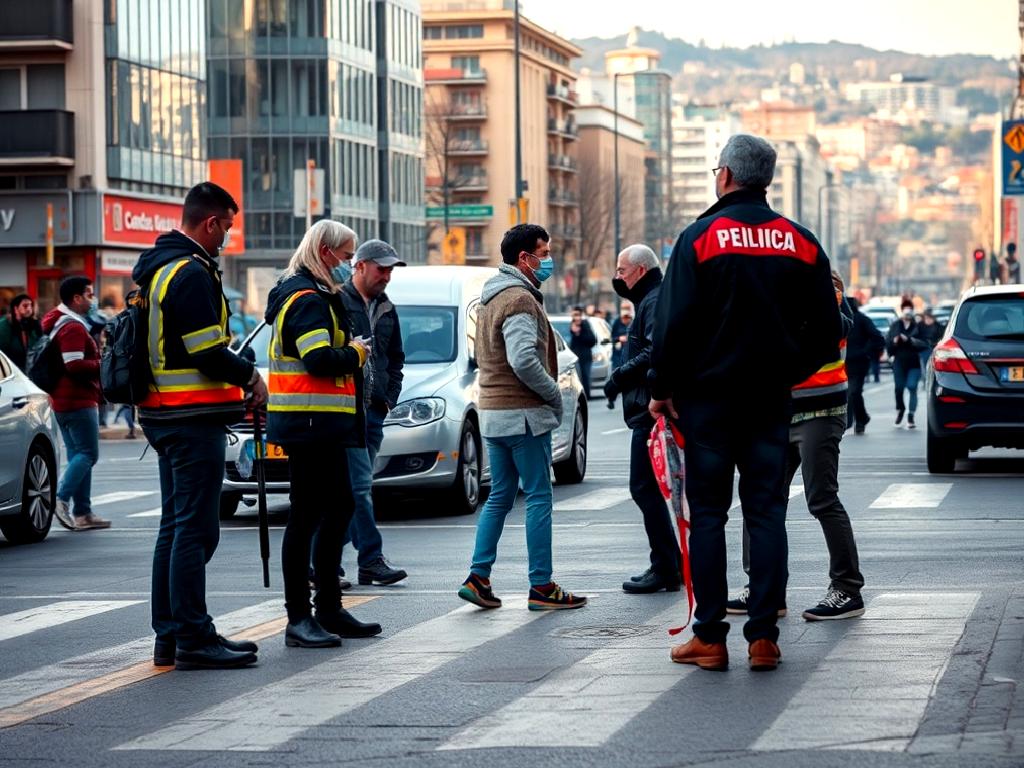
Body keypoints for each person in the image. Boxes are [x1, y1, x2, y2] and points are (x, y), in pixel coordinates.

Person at [650, 134, 842, 672]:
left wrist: (663, 389)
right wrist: (788, 370)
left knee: (708, 515)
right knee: (766, 513)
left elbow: (672, 324)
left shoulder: (699, 238)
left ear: (726, 176)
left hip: (707, 402)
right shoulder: (801, 242)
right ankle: (763, 638)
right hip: (768, 401)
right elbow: (830, 331)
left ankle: (710, 636)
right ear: (767, 180)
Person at [134, 182, 265, 670]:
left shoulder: (159, 268)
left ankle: (171, 635)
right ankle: (192, 635)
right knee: (196, 530)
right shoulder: (189, 273)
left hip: (162, 414)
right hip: (189, 418)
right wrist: (250, 375)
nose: (226, 237)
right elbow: (205, 351)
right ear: (210, 222)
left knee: (175, 527)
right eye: (227, 227)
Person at [265, 219, 383, 648]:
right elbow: (317, 359)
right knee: (307, 516)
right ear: (325, 252)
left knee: (339, 507)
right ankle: (300, 616)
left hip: (321, 425)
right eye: (346, 255)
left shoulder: (314, 295)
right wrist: (355, 351)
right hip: (308, 425)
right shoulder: (306, 300)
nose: (349, 263)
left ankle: (328, 607)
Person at [458, 223, 586, 611]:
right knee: (539, 497)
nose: (548, 260)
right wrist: (552, 394)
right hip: (523, 415)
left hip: (495, 413)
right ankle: (542, 586)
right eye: (544, 253)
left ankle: (478, 577)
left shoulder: (489, 298)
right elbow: (523, 358)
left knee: (499, 496)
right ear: (524, 258)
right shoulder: (519, 300)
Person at [728, 271, 866, 622]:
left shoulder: (826, 288)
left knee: (821, 498)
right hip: (779, 413)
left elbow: (836, 327)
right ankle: (764, 588)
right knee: (760, 499)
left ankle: (847, 589)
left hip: (820, 410)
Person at [603, 245, 681, 594]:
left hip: (651, 412)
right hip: (651, 408)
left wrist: (618, 377)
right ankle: (670, 564)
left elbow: (655, 351)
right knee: (652, 489)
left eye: (621, 271)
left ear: (640, 270)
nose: (617, 278)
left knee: (644, 488)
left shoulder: (653, 301)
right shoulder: (653, 298)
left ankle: (666, 566)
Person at [337, 239, 408, 586]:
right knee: (360, 486)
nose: (387, 276)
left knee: (349, 491)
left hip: (374, 411)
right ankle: (370, 559)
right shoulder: (337, 301)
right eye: (382, 268)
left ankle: (323, 561)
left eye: (390, 269)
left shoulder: (386, 307)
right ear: (360, 265)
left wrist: (388, 396)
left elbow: (395, 357)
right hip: (345, 411)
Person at [42, 277, 110, 532]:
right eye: (89, 295)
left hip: (64, 399)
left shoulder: (60, 322)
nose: (93, 300)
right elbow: (73, 364)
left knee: (77, 455)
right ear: (77, 298)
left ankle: (83, 512)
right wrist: (101, 364)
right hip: (77, 400)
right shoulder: (72, 327)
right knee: (88, 454)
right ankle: (61, 499)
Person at [844, 297, 884, 434]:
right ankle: (859, 419)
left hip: (859, 363)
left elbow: (877, 338)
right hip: (842, 364)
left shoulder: (861, 319)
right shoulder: (839, 320)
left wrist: (866, 352)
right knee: (848, 393)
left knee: (853, 392)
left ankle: (860, 420)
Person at [886, 299, 927, 428]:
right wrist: (894, 341)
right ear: (902, 310)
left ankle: (911, 415)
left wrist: (909, 340)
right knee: (899, 388)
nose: (907, 311)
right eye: (905, 308)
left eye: (910, 308)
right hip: (899, 362)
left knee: (912, 386)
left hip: (913, 363)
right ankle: (901, 409)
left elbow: (924, 343)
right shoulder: (895, 325)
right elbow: (888, 343)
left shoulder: (918, 326)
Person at [0, 293, 42, 371]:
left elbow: (40, 346)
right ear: (16, 308)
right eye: (25, 306)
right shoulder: (5, 325)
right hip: (10, 370)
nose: (29, 309)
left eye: (31, 306)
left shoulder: (33, 324)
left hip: (30, 371)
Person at [568, 305, 597, 397]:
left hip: (585, 356)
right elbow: (571, 343)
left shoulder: (585, 325)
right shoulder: (571, 325)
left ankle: (586, 396)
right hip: (575, 357)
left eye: (577, 315)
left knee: (585, 376)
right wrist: (574, 333)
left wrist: (579, 334)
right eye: (574, 315)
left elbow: (592, 340)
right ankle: (579, 396)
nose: (576, 317)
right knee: (576, 378)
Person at [609, 302, 633, 370]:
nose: (625, 310)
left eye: (627, 308)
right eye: (623, 308)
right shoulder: (616, 322)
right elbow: (608, 340)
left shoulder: (634, 321)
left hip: (630, 358)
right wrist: (619, 338)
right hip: (617, 357)